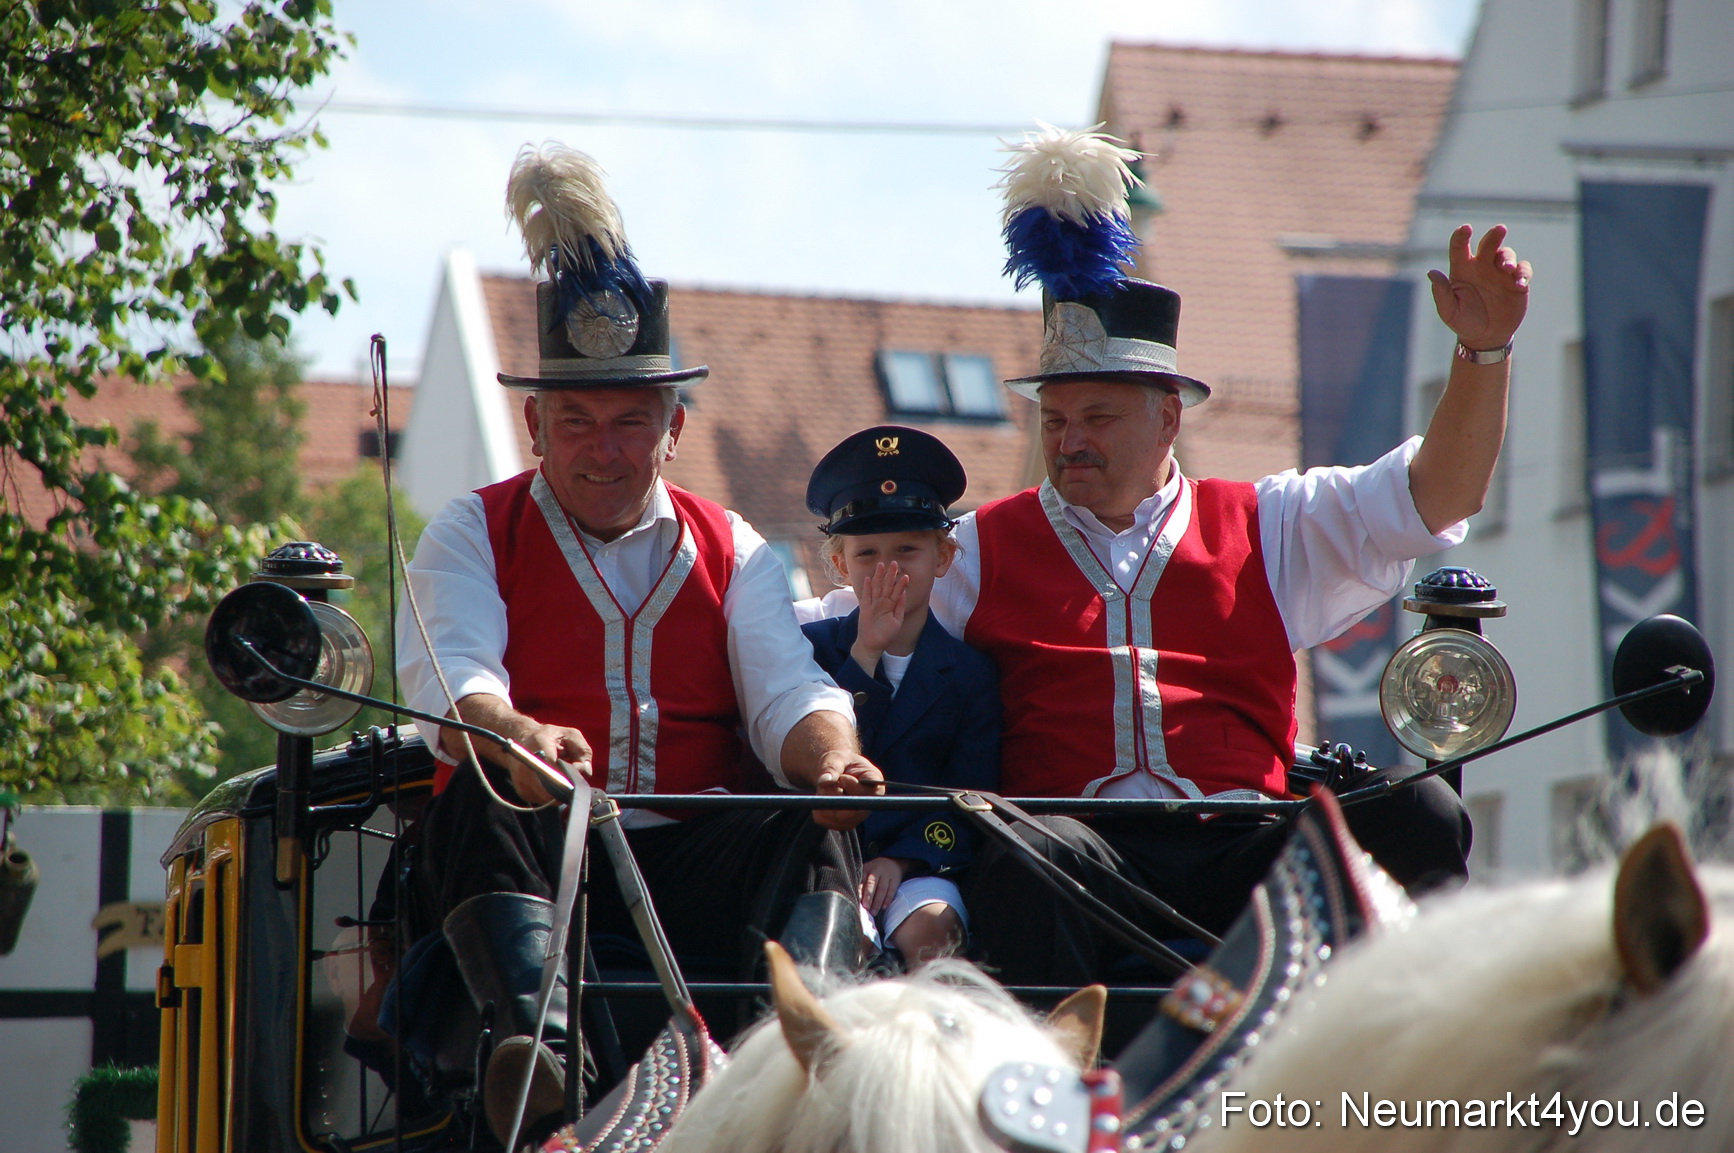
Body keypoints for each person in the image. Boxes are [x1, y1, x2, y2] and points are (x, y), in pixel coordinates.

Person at [948, 126, 1529, 986]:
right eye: (1056, 419)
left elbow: (1438, 495)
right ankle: (1057, 1097)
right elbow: (850, 629)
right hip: (1080, 851)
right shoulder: (977, 545)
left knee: (1420, 814)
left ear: (1167, 418)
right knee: (1030, 854)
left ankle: (1421, 1050)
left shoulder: (1267, 521)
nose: (1070, 442)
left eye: (1098, 418)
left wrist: (1482, 354)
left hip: (1239, 848)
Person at [394, 144, 881, 1142]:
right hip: (540, 862)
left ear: (675, 425)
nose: (602, 448)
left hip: (695, 859)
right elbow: (456, 680)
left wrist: (833, 759)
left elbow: (785, 692)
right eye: (576, 420)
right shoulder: (469, 531)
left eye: (629, 421)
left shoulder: (734, 545)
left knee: (810, 822)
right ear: (534, 423)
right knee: (476, 793)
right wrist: (512, 730)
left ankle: (812, 1046)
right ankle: (537, 1051)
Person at [799, 427, 1001, 963]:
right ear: (841, 565)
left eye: (908, 549)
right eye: (867, 553)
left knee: (933, 934)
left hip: (919, 861)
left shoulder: (969, 673)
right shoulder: (810, 650)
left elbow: (972, 797)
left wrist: (906, 861)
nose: (888, 569)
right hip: (822, 860)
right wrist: (865, 654)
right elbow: (806, 752)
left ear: (944, 556)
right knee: (838, 947)